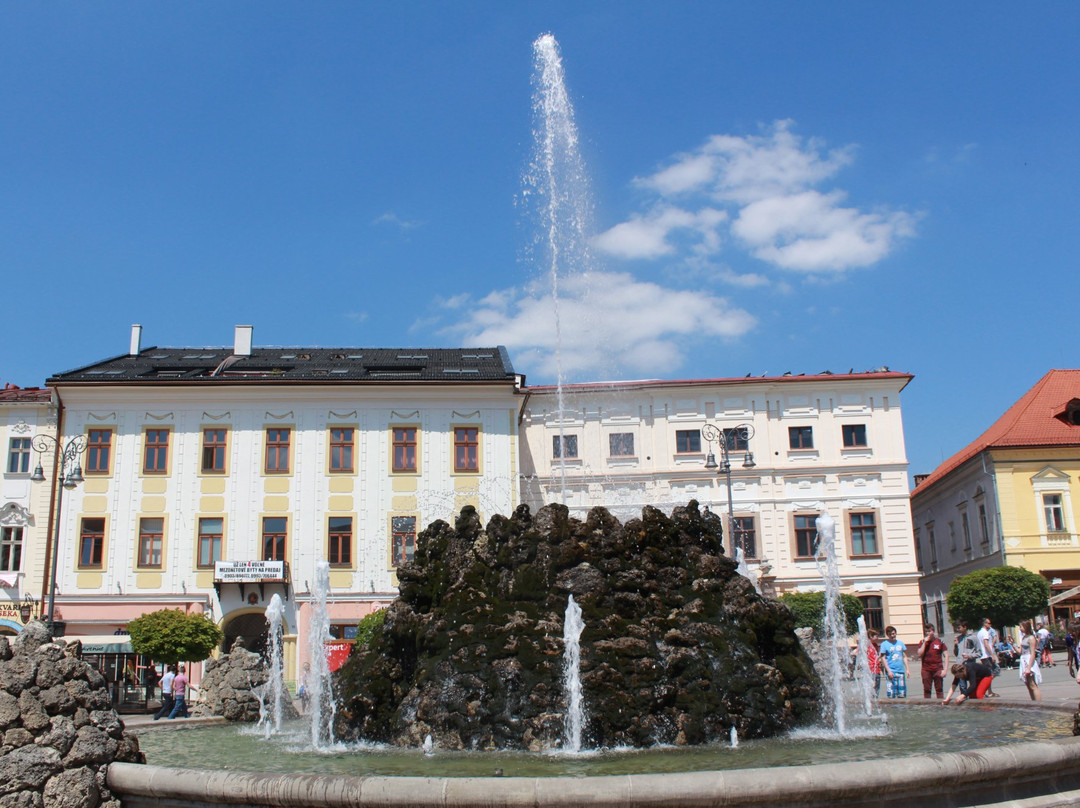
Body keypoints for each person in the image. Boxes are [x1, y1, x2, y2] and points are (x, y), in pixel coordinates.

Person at [918, 622, 949, 699]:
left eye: (929, 631)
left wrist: (945, 670)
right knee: (927, 689)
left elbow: (946, 655)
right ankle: (928, 705)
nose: (928, 633)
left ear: (933, 631)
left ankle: (940, 706)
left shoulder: (939, 642)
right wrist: (925, 643)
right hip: (926, 669)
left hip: (937, 668)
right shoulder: (922, 642)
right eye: (926, 631)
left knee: (939, 689)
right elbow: (919, 654)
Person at [879, 625, 909, 698]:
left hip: (900, 671)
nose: (892, 636)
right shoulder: (884, 644)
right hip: (891, 671)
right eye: (890, 634)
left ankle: (901, 708)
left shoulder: (900, 643)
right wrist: (888, 671)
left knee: (902, 694)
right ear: (887, 635)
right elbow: (883, 658)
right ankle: (893, 708)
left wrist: (907, 669)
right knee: (891, 694)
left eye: (893, 633)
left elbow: (904, 656)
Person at [1018, 619, 1042, 701]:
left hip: (1029, 660)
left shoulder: (1031, 638)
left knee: (1032, 684)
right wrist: (1012, 644)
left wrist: (1029, 668)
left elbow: (1033, 654)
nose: (1020, 628)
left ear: (1026, 627)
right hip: (1023, 659)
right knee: (1028, 684)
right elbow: (1019, 652)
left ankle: (1038, 704)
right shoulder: (1024, 637)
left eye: (1021, 626)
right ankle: (1033, 702)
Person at [976, 617, 999, 697]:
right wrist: (992, 655)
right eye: (989, 623)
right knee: (995, 671)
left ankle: (989, 691)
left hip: (983, 656)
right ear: (984, 624)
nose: (990, 625)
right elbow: (986, 644)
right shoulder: (985, 632)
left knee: (988, 673)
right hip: (986, 655)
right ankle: (984, 687)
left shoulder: (979, 633)